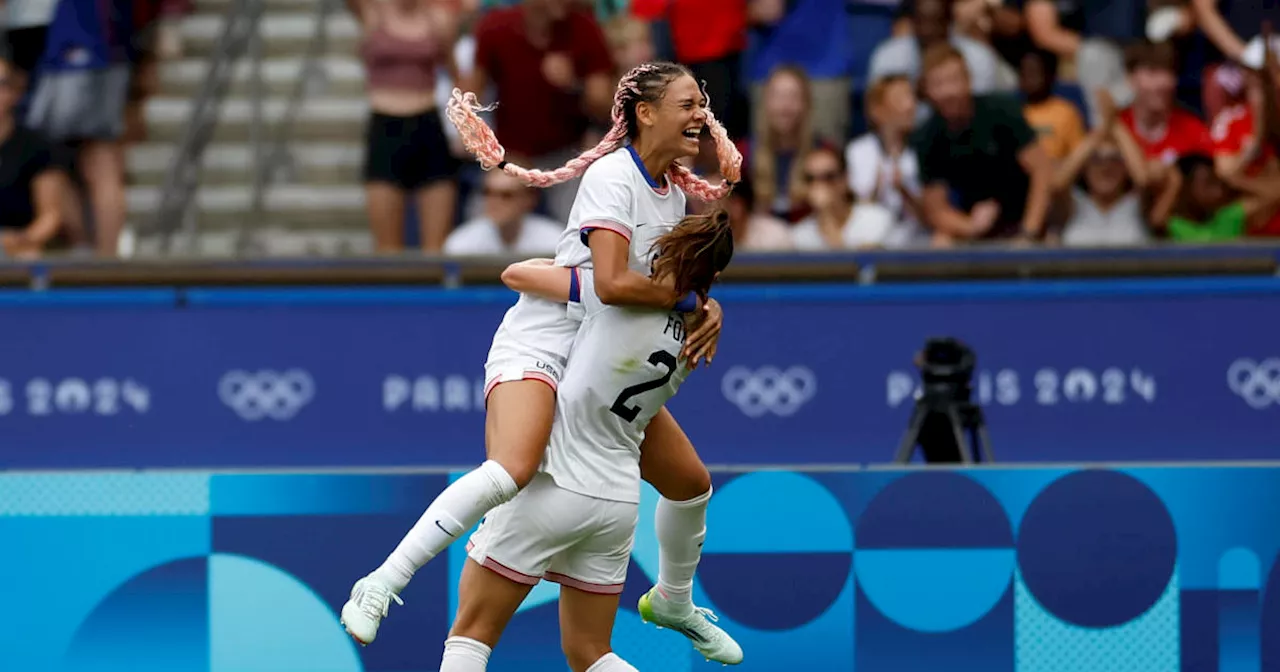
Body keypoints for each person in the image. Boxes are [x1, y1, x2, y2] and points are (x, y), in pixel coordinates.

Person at [341, 61, 745, 665]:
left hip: (600, 355)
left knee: (690, 485)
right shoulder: (612, 175)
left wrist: (706, 305)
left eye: (701, 102)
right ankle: (383, 580)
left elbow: (667, 279)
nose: (701, 114)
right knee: (514, 466)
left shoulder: (676, 194)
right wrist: (688, 301)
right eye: (688, 103)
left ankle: (674, 601)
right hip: (545, 342)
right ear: (646, 113)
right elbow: (611, 283)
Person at [439, 211, 735, 672]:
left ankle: (384, 579)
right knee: (590, 653)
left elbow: (516, 274)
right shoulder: (693, 324)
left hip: (558, 477)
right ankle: (674, 598)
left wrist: (609, 279)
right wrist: (701, 303)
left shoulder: (611, 295)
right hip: (616, 496)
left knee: (470, 635)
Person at [912, 44, 1054, 244]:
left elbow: (1042, 171)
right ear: (926, 90)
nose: (948, 92)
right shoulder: (926, 136)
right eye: (938, 84)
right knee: (940, 242)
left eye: (954, 80)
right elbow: (937, 211)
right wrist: (971, 226)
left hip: (1028, 214)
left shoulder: (1002, 111)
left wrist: (1028, 232)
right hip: (976, 218)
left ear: (968, 81)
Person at [349, 0, 460, 252]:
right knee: (388, 249)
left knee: (436, 248)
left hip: (427, 125)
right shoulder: (372, 11)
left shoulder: (439, 19)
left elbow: (457, 76)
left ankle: (436, 291)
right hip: (386, 127)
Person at [0, 57, 64, 257]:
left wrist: (22, 239)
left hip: (17, 246)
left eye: (1, 85)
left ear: (14, 92)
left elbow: (51, 215)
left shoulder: (35, 146)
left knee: (30, 256)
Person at [1166, 152, 1280, 241]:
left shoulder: (1230, 216)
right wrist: (1174, 183)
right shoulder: (1173, 224)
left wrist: (1236, 181)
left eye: (1219, 184)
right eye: (1208, 184)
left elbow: (1276, 195)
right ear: (1186, 188)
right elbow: (1155, 220)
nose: (1218, 192)